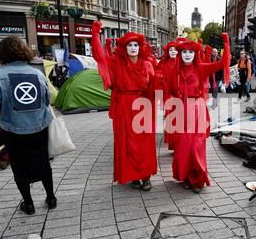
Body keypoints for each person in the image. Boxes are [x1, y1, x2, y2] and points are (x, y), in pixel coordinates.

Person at [0, 36, 56, 215]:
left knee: (18, 165)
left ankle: (29, 204)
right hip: (39, 127)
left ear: (1, 54)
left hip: (13, 129)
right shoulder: (37, 74)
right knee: (43, 162)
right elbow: (47, 100)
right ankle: (51, 198)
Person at [92, 22, 159, 192]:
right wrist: (95, 35)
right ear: (124, 48)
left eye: (136, 44)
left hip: (142, 107)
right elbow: (100, 57)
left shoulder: (148, 65)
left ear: (140, 47)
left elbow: (154, 88)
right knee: (127, 142)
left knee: (143, 144)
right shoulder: (116, 64)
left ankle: (146, 177)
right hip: (123, 106)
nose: (133, 48)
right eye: (130, 45)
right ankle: (133, 176)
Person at [166, 35, 230, 193]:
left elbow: (222, 63)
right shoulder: (175, 70)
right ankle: (186, 177)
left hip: (197, 110)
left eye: (191, 52)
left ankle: (198, 178)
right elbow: (168, 90)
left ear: (195, 54)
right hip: (180, 110)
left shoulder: (201, 68)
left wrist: (226, 44)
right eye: (184, 52)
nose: (187, 54)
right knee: (183, 147)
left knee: (196, 146)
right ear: (180, 54)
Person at [158, 41, 178, 150]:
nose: (173, 51)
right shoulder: (163, 64)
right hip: (168, 95)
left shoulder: (182, 62)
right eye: (170, 49)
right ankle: (173, 142)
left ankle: (178, 142)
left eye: (175, 49)